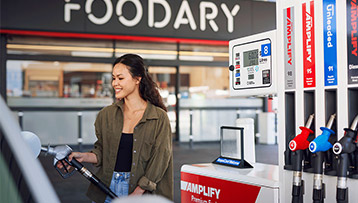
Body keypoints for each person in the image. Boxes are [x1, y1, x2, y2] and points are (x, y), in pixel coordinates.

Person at [62, 54, 173, 203]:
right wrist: (83, 156)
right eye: (114, 78)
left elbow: (160, 159)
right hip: (106, 186)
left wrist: (139, 191)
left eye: (120, 78)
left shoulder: (159, 118)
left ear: (137, 79)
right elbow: (102, 151)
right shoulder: (106, 115)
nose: (115, 83)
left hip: (141, 191)